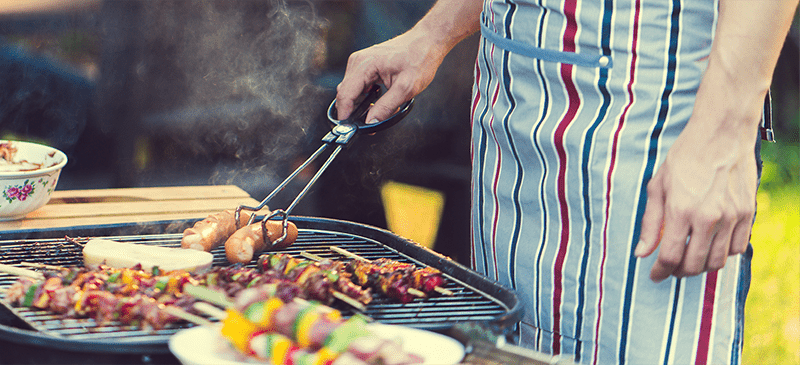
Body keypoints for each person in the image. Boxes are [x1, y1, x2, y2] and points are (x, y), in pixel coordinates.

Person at [334, 1, 796, 364]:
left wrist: (725, 133)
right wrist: (431, 34)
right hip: (511, 101)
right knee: (506, 344)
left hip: (645, 110)